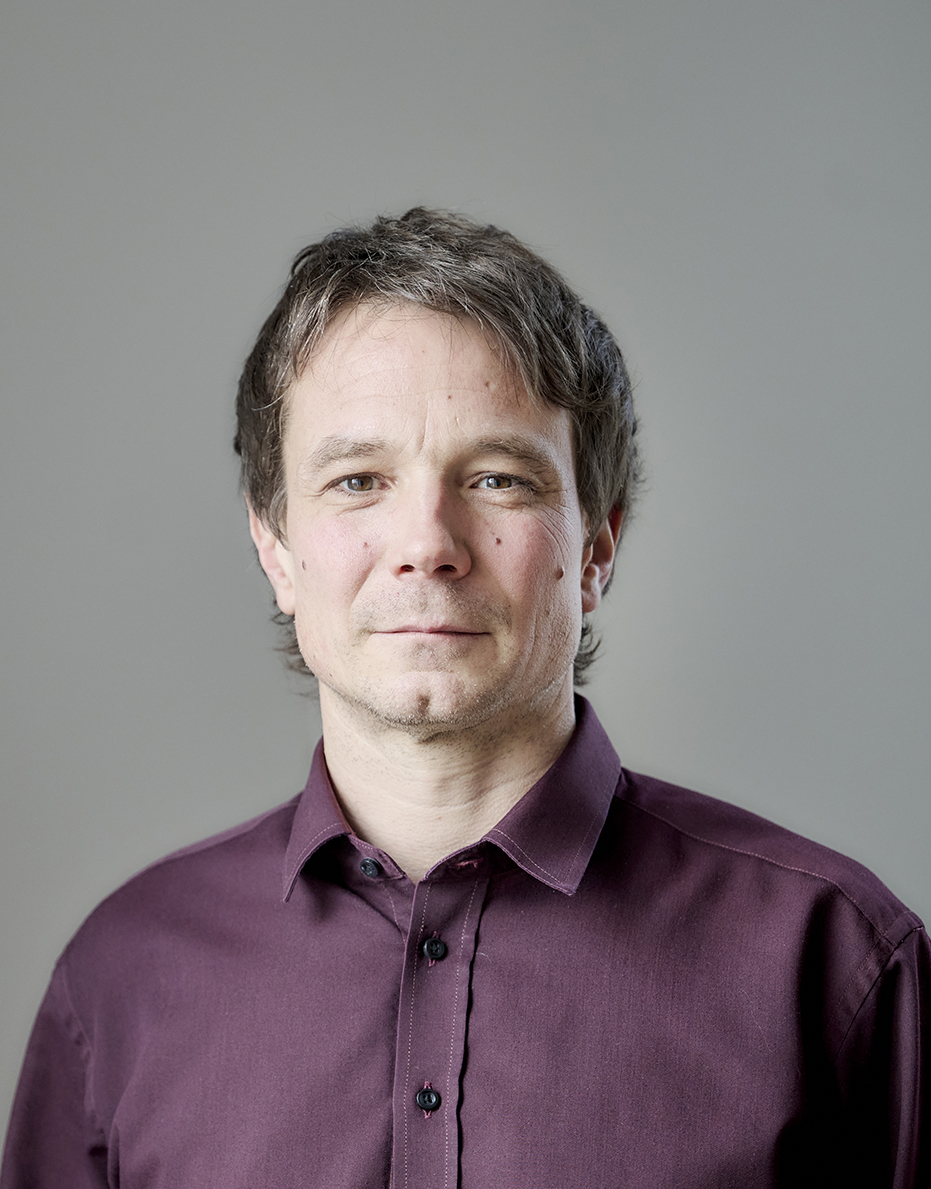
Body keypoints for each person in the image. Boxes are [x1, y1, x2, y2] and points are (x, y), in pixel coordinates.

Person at [2, 208, 927, 1188]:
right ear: (274, 547)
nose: (427, 544)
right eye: (357, 480)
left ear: (596, 548)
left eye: (496, 479)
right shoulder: (123, 975)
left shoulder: (833, 965)